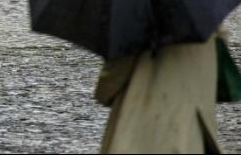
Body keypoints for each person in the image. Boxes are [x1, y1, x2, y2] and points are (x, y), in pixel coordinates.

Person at [94, 29, 240, 154]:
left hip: (147, 116)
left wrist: (103, 92)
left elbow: (120, 61)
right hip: (192, 119)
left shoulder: (140, 12)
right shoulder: (207, 15)